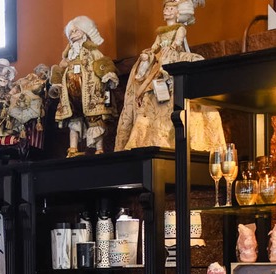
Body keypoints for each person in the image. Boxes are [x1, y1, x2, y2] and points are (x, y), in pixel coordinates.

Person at [115, 0, 223, 151]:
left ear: (178, 12)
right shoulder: (161, 32)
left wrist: (172, 47)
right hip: (160, 57)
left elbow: (178, 43)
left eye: (171, 8)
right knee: (144, 64)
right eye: (166, 8)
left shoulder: (180, 29)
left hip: (173, 55)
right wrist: (149, 53)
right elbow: (155, 47)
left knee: (172, 67)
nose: (167, 11)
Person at [49, 16, 119, 157]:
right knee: (74, 119)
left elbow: (102, 63)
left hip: (90, 90)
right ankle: (73, 148)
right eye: (71, 32)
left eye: (76, 31)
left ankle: (99, 148)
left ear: (85, 31)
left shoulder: (92, 51)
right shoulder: (68, 55)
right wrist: (56, 83)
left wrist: (109, 74)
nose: (73, 34)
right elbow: (60, 70)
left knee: (95, 118)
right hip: (71, 93)